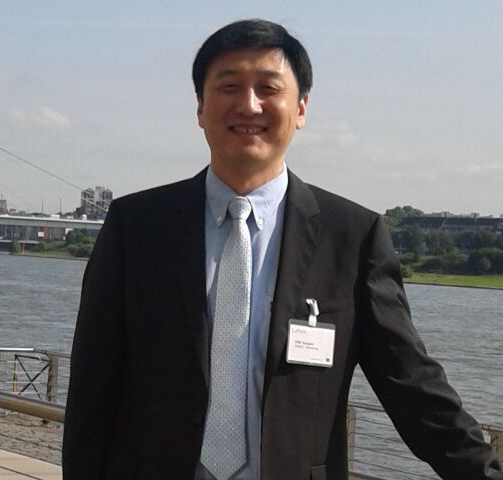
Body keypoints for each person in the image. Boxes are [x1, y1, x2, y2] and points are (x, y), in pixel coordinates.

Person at [62, 19, 503, 480]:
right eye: (229, 86)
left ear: (301, 108)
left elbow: (411, 384)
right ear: (200, 107)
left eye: (268, 88)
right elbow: (93, 389)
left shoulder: (353, 237)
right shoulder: (136, 227)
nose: (248, 104)